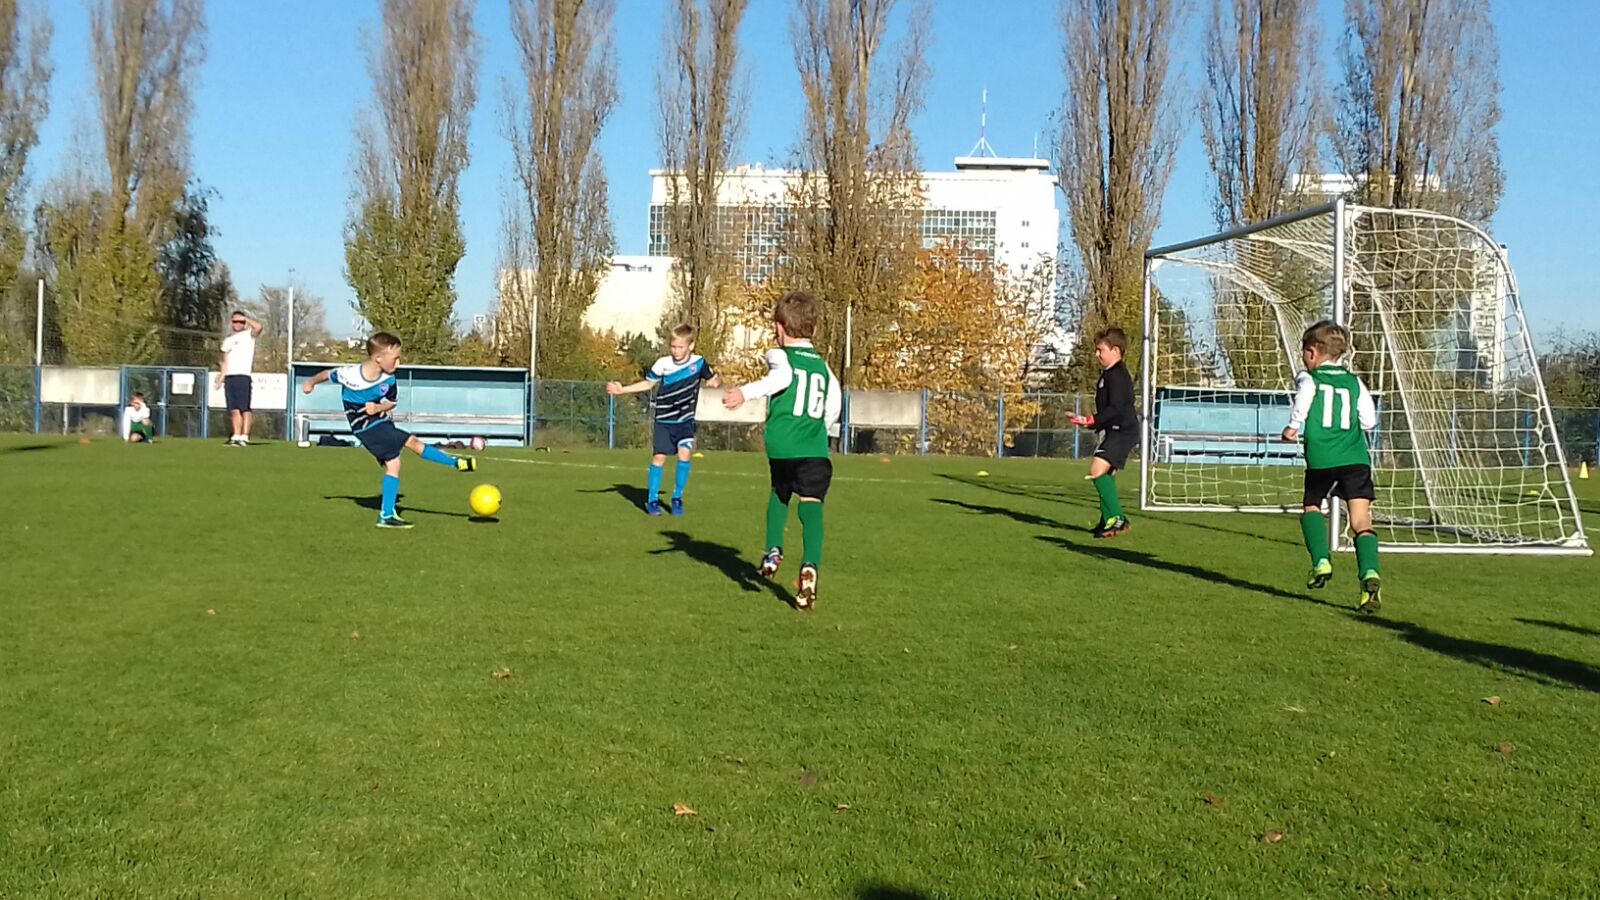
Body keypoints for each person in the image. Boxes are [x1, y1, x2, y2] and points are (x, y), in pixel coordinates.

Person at [723, 291, 841, 611]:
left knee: (779, 493)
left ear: (778, 328)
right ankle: (810, 566)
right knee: (812, 505)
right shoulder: (823, 366)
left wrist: (744, 393)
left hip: (783, 446)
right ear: (814, 330)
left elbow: (782, 377)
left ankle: (773, 551)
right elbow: (834, 403)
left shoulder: (779, 355)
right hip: (814, 448)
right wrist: (819, 429)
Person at [300, 332, 477, 529]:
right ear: (378, 358)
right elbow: (327, 374)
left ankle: (386, 515)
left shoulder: (389, 379)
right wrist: (310, 383)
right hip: (363, 427)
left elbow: (391, 402)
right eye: (395, 358)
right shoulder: (350, 375)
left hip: (380, 421)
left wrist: (378, 407)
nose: (398, 363)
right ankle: (455, 463)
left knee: (394, 464)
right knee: (410, 441)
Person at [1282, 320, 1383, 613]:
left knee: (1312, 506)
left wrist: (1293, 426)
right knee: (1361, 522)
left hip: (1322, 460)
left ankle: (1321, 561)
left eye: (1304, 352)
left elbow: (1304, 399)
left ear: (1313, 352)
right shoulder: (1354, 382)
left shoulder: (1309, 378)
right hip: (1356, 460)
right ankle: (1370, 574)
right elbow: (1369, 421)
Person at [606, 324, 721, 516]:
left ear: (691, 345)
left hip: (685, 420)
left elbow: (714, 379)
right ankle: (652, 500)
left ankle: (677, 498)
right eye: (673, 347)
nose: (676, 351)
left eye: (680, 347)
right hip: (664, 420)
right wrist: (622, 389)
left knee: (685, 454)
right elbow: (648, 383)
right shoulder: (663, 364)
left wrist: (715, 382)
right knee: (659, 458)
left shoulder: (699, 363)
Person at [1069, 327, 1138, 538]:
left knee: (1097, 469)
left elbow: (1116, 408)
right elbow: (1108, 411)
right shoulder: (1108, 375)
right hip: (1116, 430)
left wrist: (1093, 420)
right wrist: (1090, 423)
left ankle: (1117, 518)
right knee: (1106, 475)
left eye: (1101, 350)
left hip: (1123, 431)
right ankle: (1107, 519)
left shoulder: (1118, 375)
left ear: (1115, 350)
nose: (1097, 354)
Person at [218, 310, 264, 446]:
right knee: (234, 409)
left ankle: (245, 436)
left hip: (243, 376)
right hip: (230, 377)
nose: (238, 324)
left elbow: (259, 327)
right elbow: (225, 361)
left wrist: (246, 319)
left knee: (245, 408)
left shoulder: (248, 335)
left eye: (240, 322)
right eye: (235, 321)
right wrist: (221, 377)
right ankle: (236, 435)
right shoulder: (228, 340)